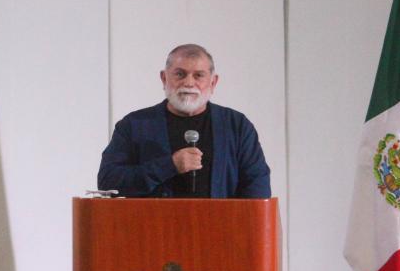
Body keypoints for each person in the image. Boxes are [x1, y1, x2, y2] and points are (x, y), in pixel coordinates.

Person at [98, 44, 271, 198]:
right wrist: (169, 165)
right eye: (180, 74)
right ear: (164, 78)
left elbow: (257, 189)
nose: (189, 83)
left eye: (198, 76)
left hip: (220, 231)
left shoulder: (236, 126)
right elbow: (108, 181)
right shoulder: (135, 125)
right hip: (153, 229)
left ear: (213, 82)